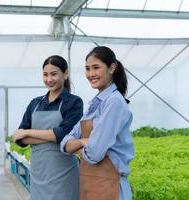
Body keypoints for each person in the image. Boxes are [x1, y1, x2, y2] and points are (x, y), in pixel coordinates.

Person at [60, 46, 135, 200]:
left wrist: (79, 145)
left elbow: (94, 153)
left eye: (96, 68)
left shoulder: (114, 102)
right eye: (87, 69)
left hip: (110, 186)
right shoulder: (96, 103)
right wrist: (82, 141)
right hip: (91, 183)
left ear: (112, 68)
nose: (91, 74)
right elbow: (65, 143)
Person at [12, 55, 83, 200]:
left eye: (54, 74)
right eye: (45, 74)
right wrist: (52, 136)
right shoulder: (35, 103)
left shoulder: (74, 102)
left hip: (64, 173)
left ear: (65, 74)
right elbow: (19, 139)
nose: (49, 79)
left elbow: (63, 134)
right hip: (39, 173)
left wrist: (28, 133)